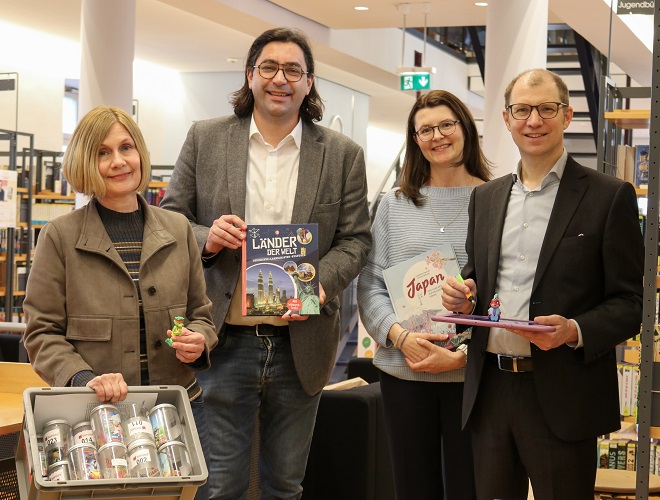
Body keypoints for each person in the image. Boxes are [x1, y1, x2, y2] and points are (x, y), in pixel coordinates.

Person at [159, 27, 372, 499]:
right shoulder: (205, 139)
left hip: (302, 344)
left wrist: (320, 284)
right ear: (250, 75)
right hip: (224, 340)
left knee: (285, 486)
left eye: (293, 70)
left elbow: (356, 239)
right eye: (270, 67)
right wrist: (208, 238)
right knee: (219, 486)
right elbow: (170, 220)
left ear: (309, 82)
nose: (281, 79)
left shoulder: (342, 155)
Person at [442, 68, 644, 499]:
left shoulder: (609, 196)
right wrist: (465, 296)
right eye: (522, 110)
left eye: (546, 109)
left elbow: (630, 303)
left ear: (567, 115)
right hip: (490, 392)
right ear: (506, 118)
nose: (533, 120)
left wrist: (574, 330)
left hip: (564, 394)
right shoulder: (486, 197)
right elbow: (477, 278)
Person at [23, 106, 218, 499]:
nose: (118, 161)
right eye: (102, 152)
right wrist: (84, 378)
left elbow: (201, 315)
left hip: (177, 412)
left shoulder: (179, 229)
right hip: (97, 419)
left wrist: (199, 340)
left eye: (126, 147)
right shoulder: (60, 236)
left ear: (140, 153)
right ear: (84, 162)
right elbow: (42, 333)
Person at [357, 90, 491, 499]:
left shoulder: (495, 199)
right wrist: (401, 338)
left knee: (470, 488)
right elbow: (370, 284)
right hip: (405, 372)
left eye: (446, 124)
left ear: (465, 128)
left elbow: (504, 292)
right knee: (413, 487)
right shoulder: (394, 204)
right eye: (426, 130)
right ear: (415, 140)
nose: (437, 136)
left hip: (472, 375)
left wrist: (464, 353)